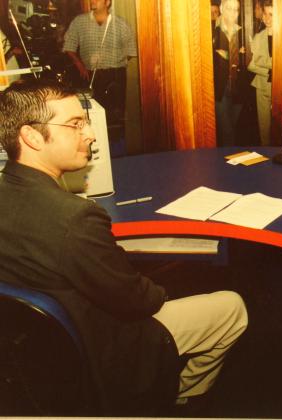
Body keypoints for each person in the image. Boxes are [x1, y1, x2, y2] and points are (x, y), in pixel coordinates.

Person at [0, 79, 248, 415]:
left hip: (39, 353)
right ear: (31, 136)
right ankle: (181, 396)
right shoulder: (75, 218)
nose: (90, 134)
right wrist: (163, 291)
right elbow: (137, 300)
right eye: (75, 124)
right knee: (232, 308)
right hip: (104, 350)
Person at [63, 0, 137, 124]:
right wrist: (80, 65)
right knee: (93, 113)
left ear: (107, 2)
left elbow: (131, 50)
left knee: (115, 115)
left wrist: (115, 61)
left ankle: (115, 135)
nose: (93, 0)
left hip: (115, 76)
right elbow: (69, 46)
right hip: (90, 74)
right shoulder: (79, 22)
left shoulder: (120, 24)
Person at [213, 0, 246, 147]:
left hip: (238, 89)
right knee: (227, 132)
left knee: (234, 129)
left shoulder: (243, 32)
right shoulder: (211, 30)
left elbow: (248, 62)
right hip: (219, 89)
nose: (233, 13)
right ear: (221, 8)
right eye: (229, 8)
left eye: (236, 9)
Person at [248, 0, 273, 146]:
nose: (267, 18)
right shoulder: (258, 37)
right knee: (264, 129)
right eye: (265, 14)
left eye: (271, 14)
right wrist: (272, 68)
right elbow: (251, 65)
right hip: (262, 87)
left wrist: (263, 61)